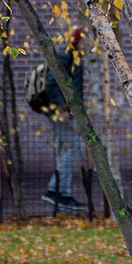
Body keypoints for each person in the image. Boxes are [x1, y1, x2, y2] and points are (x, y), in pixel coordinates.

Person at [25, 29, 86, 215]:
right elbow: (52, 84)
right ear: (78, 41)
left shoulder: (72, 55)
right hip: (60, 112)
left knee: (65, 148)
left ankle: (61, 193)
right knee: (74, 146)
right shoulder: (64, 55)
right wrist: (62, 109)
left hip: (65, 111)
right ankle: (55, 190)